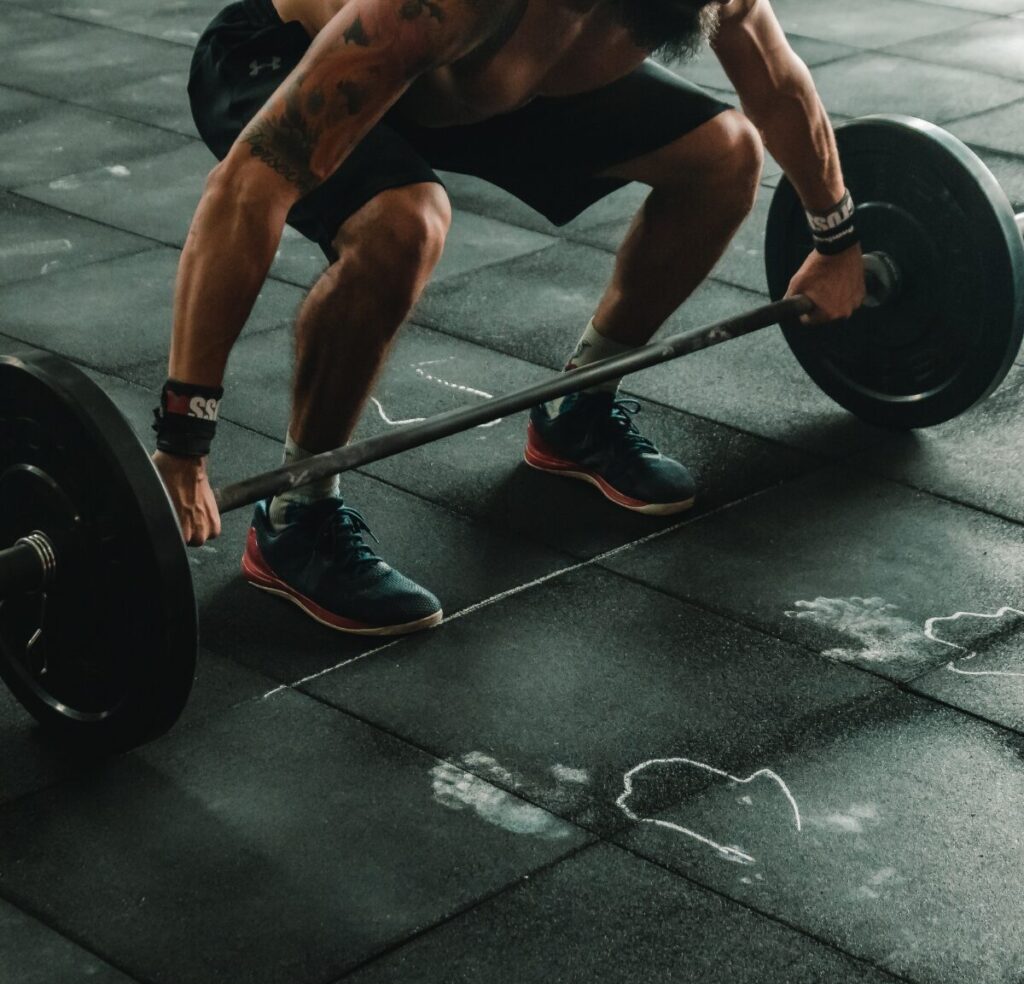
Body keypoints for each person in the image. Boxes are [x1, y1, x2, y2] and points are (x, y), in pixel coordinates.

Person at [154, 0, 865, 636]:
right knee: (405, 224)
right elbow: (247, 190)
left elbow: (774, 84)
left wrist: (835, 237)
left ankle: (578, 413)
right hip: (286, 52)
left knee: (724, 154)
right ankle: (297, 516)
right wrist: (186, 435)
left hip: (479, 91)